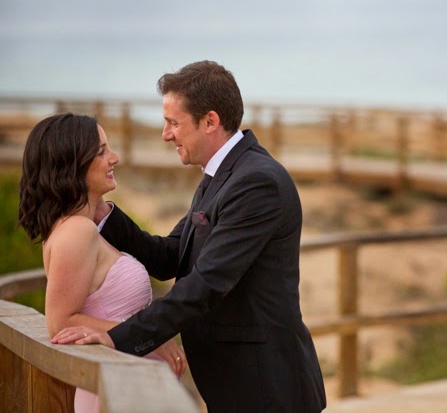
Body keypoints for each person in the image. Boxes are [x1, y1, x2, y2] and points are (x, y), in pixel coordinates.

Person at [52, 60, 327, 413]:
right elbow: (170, 257)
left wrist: (117, 337)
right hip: (236, 384)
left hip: (266, 386)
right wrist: (107, 216)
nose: (166, 134)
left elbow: (206, 285)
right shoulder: (223, 174)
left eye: (173, 123)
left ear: (210, 121)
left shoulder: (258, 183)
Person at [18, 113, 187, 413]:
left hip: (128, 384)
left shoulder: (84, 225)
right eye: (101, 151)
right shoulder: (76, 232)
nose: (115, 158)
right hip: (113, 393)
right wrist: (149, 336)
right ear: (72, 163)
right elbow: (61, 321)